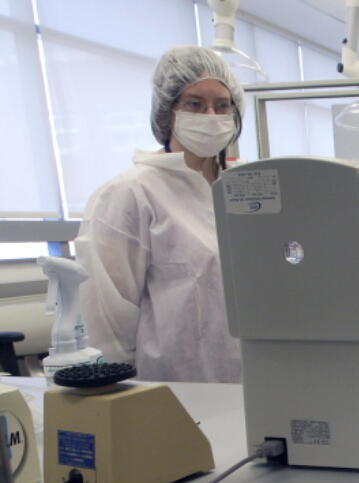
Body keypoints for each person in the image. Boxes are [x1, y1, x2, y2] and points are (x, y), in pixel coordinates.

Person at [77, 46, 243, 383]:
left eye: (222, 105)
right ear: (167, 112)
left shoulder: (244, 191)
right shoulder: (130, 193)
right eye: (195, 104)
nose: (211, 116)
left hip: (252, 382)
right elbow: (106, 318)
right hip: (171, 390)